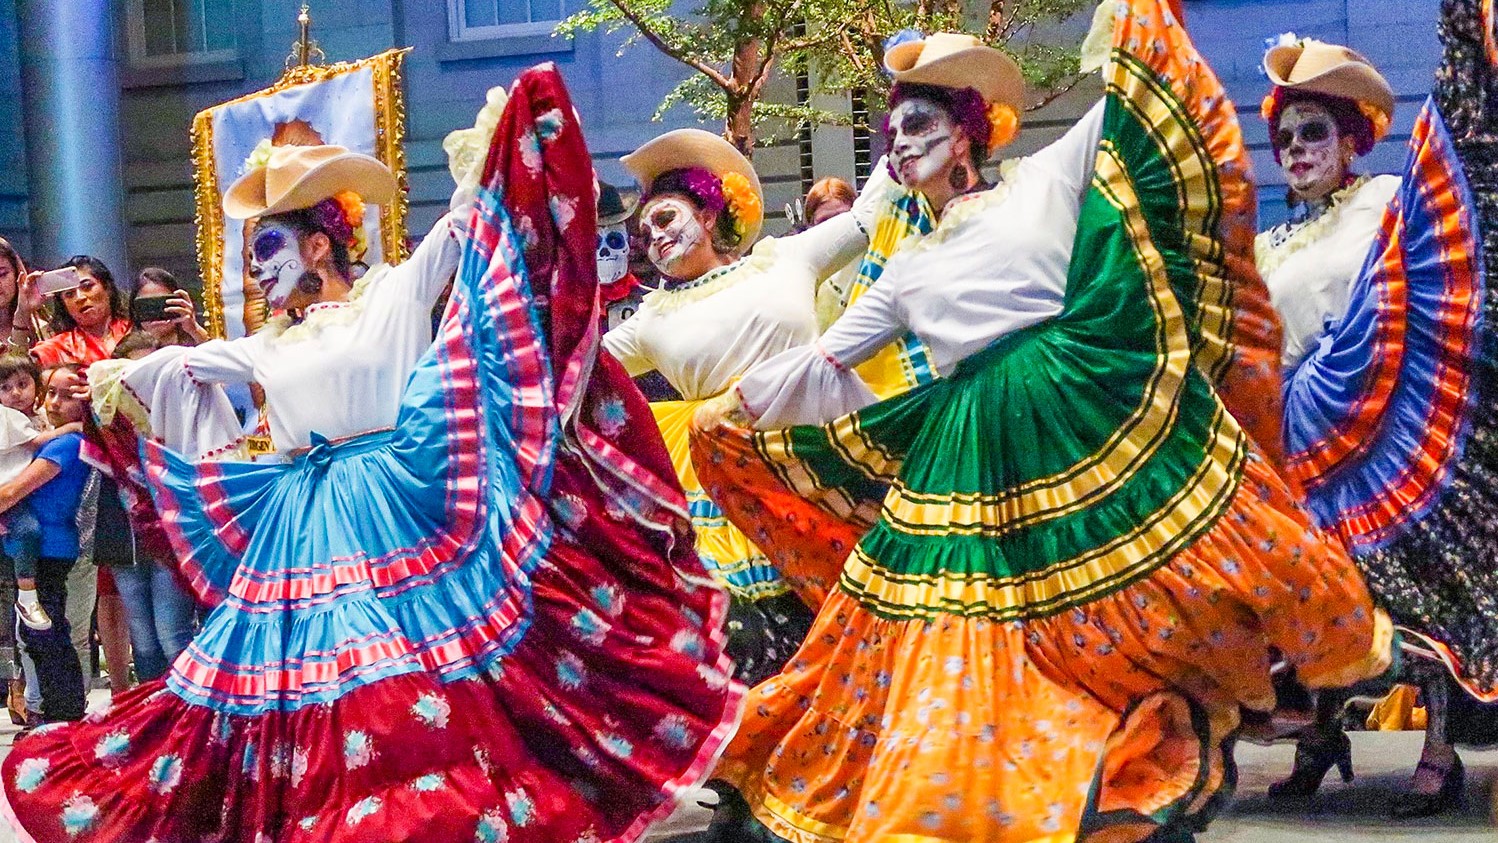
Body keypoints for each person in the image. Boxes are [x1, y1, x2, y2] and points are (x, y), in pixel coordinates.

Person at [691, 5, 1390, 840]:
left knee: (1100, 608)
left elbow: (1124, 109)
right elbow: (826, 364)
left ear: (968, 133)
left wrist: (1134, 19)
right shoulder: (905, 269)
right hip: (964, 449)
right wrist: (733, 410)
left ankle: (1120, 738)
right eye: (894, 129)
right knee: (939, 619)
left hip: (1071, 412)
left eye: (920, 123)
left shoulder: (1040, 185)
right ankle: (952, 780)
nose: (901, 142)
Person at [2, 65, 740, 843]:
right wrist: (104, 383)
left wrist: (500, 137)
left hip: (398, 499)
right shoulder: (259, 344)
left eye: (273, 245)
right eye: (254, 251)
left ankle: (408, 811)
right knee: (293, 685)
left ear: (321, 242)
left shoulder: (390, 294)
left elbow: (471, 227)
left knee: (416, 675)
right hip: (297, 522)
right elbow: (160, 375)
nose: (259, 267)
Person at [1263, 15, 1498, 817]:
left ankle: (1439, 752)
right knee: (1322, 595)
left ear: (1351, 137)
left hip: (1390, 430)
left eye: (1312, 131)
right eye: (1285, 137)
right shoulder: (1271, 243)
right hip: (1297, 441)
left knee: (1409, 586)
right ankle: (1321, 735)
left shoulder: (1390, 204)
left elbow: (1444, 266)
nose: (1296, 149)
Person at [602, 127, 885, 685]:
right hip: (731, 481)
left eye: (664, 219)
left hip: (820, 460)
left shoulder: (785, 260)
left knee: (859, 613)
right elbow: (577, 364)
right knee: (759, 637)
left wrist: (915, 98)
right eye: (645, 232)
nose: (654, 239)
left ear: (708, 215)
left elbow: (871, 213)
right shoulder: (650, 318)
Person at [0, 365, 90, 727]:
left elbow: (10, 493)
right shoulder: (40, 433)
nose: (55, 402)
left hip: (49, 546)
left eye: (67, 396)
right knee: (34, 634)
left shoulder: (68, 443)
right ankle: (51, 714)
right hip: (30, 545)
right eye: (51, 392)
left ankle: (63, 715)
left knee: (47, 632)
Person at [0, 354, 82, 631]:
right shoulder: (7, 417)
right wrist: (72, 426)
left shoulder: (36, 418)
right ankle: (26, 595)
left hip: (25, 505)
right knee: (27, 530)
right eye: (5, 388)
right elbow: (37, 442)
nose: (15, 393)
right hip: (7, 493)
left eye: (23, 384)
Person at [23, 255, 132, 369]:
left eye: (87, 286)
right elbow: (15, 371)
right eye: (69, 294)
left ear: (107, 287)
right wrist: (23, 310)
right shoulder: (57, 348)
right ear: (63, 305)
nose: (79, 298)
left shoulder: (136, 328)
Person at [130, 268, 209, 348]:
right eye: (148, 305)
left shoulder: (196, 341)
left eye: (164, 303)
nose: (157, 311)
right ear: (135, 310)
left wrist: (194, 330)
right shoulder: (126, 350)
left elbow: (217, 357)